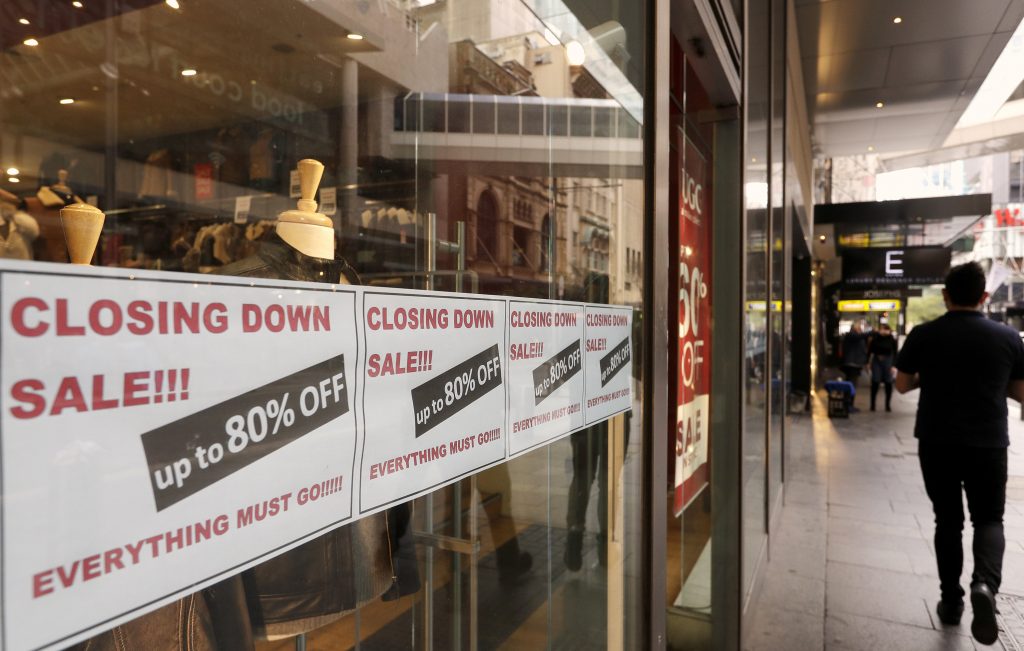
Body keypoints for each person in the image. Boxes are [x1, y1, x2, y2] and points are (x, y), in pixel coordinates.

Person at [895, 262, 1024, 645]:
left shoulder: (923, 334)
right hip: (988, 443)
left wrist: (928, 378)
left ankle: (950, 601)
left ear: (945, 296)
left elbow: (901, 385)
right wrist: (990, 383)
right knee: (989, 520)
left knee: (947, 521)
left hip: (936, 441)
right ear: (984, 297)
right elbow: (1021, 394)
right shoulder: (1008, 337)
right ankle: (984, 585)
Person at [867, 322, 898, 412]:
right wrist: (868, 362)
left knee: (888, 382)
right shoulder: (875, 338)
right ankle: (872, 404)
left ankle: (887, 405)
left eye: (885, 329)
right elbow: (870, 350)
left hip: (888, 361)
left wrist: (894, 365)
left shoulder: (892, 339)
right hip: (877, 360)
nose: (883, 331)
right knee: (875, 381)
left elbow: (895, 353)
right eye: (882, 329)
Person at [839, 320, 869, 409]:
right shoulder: (851, 335)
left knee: (852, 384)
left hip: (855, 364)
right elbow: (861, 337)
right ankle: (848, 404)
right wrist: (872, 332)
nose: (861, 329)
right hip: (851, 364)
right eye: (859, 327)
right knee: (851, 384)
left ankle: (850, 403)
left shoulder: (857, 337)